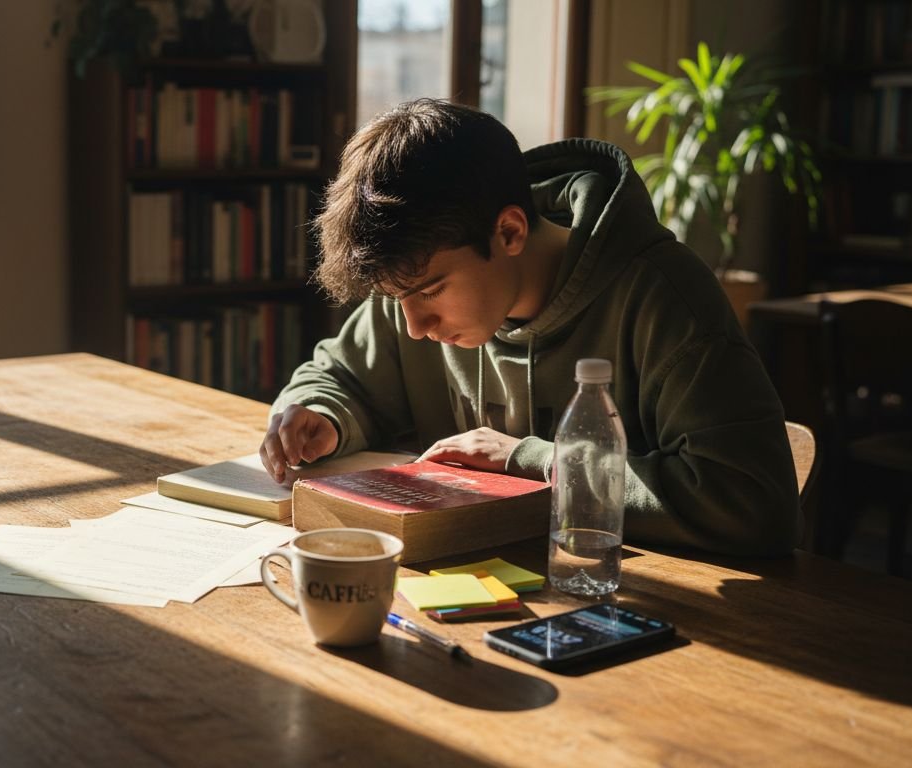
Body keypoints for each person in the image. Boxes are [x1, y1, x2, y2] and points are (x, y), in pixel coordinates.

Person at [259, 98, 799, 557]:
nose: (415, 327)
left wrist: (527, 460)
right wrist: (322, 413)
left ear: (510, 232)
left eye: (429, 292)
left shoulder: (664, 296)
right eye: (395, 299)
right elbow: (337, 377)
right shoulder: (418, 274)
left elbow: (751, 500)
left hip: (643, 609)